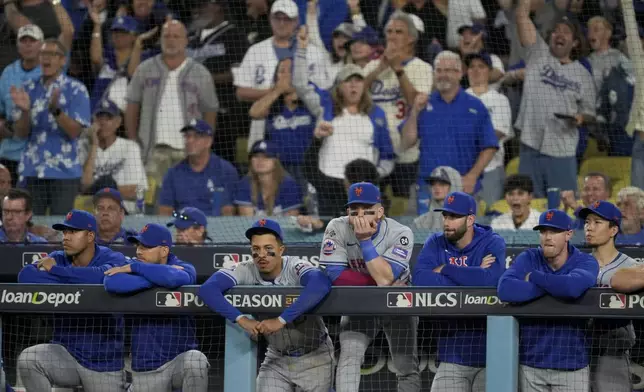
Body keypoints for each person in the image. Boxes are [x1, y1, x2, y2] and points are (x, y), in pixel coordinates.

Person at [199, 218, 335, 392]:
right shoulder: (246, 269)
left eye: (268, 249)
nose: (261, 254)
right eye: (256, 249)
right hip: (276, 358)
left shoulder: (295, 266)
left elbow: (321, 284)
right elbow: (207, 289)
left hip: (314, 357)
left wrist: (281, 320)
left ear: (281, 249)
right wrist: (240, 319)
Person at [318, 182, 420, 392]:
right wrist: (379, 281)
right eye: (355, 212)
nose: (361, 217)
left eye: (368, 211)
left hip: (397, 306)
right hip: (360, 304)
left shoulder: (400, 232)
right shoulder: (337, 226)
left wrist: (365, 242)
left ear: (380, 212)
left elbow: (384, 278)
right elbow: (334, 274)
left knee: (406, 366)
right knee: (349, 356)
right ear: (348, 212)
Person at [16, 209, 128, 391]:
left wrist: (56, 272)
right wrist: (70, 276)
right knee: (29, 359)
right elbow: (26, 275)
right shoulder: (57, 257)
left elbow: (102, 278)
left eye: (73, 232)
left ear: (90, 236)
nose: (66, 237)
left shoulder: (111, 257)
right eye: (64, 232)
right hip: (65, 355)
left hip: (103, 363)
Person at [412, 191, 506, 392]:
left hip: (491, 356)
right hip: (451, 353)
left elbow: (491, 282)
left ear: (470, 219)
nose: (447, 222)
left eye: (454, 217)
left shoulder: (492, 242)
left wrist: (445, 269)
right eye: (445, 216)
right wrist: (474, 274)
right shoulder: (435, 242)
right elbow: (420, 279)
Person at [497, 209, 599, 392]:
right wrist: (554, 286)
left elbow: (571, 288)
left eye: (554, 231)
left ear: (568, 234)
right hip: (531, 365)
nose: (547, 237)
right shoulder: (530, 257)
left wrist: (535, 277)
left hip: (571, 367)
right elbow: (505, 289)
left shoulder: (585, 262)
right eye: (543, 231)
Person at [104, 223, 209, 391]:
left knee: (196, 360)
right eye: (138, 245)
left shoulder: (185, 267)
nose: (138, 251)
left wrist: (137, 269)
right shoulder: (132, 264)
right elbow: (111, 282)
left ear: (164, 250)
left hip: (177, 363)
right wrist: (157, 276)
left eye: (146, 247)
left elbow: (177, 278)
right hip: (145, 369)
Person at [514, 0, 596, 197]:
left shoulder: (583, 74)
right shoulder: (538, 53)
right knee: (529, 204)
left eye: (566, 32)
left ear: (575, 42)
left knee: (563, 208)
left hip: (562, 149)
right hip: (530, 144)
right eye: (556, 30)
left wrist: (580, 118)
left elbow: (590, 112)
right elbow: (521, 17)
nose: (559, 34)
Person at [125, 19, 218, 184]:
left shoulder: (201, 73)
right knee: (154, 204)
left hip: (189, 151)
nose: (171, 40)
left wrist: (204, 144)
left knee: (188, 200)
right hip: (152, 151)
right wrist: (133, 142)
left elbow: (210, 110)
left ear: (186, 40)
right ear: (160, 39)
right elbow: (132, 105)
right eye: (166, 36)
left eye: (176, 36)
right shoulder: (144, 69)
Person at [400, 50, 498, 198]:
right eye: (438, 70)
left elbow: (490, 146)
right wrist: (414, 112)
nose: (443, 74)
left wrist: (472, 176)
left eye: (448, 70)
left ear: (459, 73)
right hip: (429, 190)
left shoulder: (476, 106)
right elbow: (407, 142)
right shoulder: (423, 104)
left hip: (463, 188)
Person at [11, 38, 91, 214]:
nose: (46, 58)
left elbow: (74, 132)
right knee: (29, 227)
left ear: (63, 60)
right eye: (42, 54)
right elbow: (20, 134)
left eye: (51, 54)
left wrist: (56, 111)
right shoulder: (28, 88)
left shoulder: (76, 89)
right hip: (32, 171)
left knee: (59, 229)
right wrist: (25, 111)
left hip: (64, 173)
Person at [362, 10, 433, 198]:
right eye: (389, 31)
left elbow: (415, 103)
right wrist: (380, 68)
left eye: (398, 32)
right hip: (376, 151)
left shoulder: (422, 68)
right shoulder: (372, 67)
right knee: (372, 204)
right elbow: (355, 96)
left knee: (402, 208)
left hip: (406, 152)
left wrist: (398, 70)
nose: (392, 36)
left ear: (411, 38)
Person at [581, 200, 636, 392]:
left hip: (613, 352)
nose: (589, 227)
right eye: (587, 222)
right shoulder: (578, 263)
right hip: (578, 350)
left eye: (597, 222)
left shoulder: (630, 266)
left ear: (613, 230)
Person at [158, 119, 238, 216]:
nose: (190, 141)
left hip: (216, 227)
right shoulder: (173, 173)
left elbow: (228, 212)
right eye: (187, 136)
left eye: (196, 137)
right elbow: (164, 212)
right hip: (183, 227)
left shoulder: (225, 170)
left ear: (208, 141)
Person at [81, 99, 148, 213]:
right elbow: (84, 186)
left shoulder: (130, 147)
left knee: (106, 182)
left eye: (108, 118)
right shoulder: (84, 146)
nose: (103, 123)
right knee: (106, 182)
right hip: (94, 212)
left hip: (126, 211)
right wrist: (94, 145)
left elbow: (138, 190)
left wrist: (106, 191)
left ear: (118, 122)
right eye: (99, 118)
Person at [464, 51, 512, 207]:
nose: (476, 70)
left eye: (481, 66)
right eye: (472, 67)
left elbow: (497, 133)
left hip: (491, 169)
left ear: (490, 72)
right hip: (463, 169)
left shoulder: (500, 100)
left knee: (491, 217)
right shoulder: (460, 98)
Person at [0, 24, 43, 184]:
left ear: (41, 44)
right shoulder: (8, 73)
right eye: (23, 41)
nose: (28, 45)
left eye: (32, 40)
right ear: (17, 46)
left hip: (39, 157)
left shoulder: (48, 72)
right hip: (9, 154)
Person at [235, 140, 302, 217]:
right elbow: (247, 222)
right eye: (256, 156)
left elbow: (290, 222)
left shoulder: (289, 185)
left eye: (266, 157)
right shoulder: (245, 184)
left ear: (276, 162)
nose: (260, 161)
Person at [413, 166, 463, 231]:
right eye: (433, 184)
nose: (436, 187)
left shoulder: (466, 224)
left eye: (442, 184)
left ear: (454, 186)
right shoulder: (419, 223)